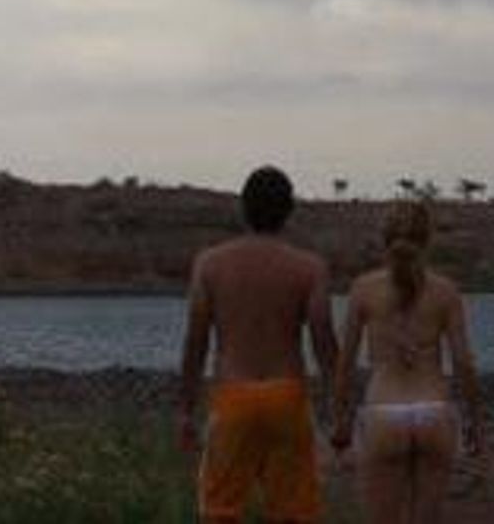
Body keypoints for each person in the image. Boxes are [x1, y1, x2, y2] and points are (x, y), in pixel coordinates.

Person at [179, 166, 339, 523]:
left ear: (243, 209)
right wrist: (339, 407)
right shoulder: (309, 268)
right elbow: (325, 343)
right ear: (289, 211)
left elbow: (195, 343)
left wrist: (186, 411)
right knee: (294, 512)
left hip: (233, 394)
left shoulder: (210, 264)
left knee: (220, 511)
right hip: (287, 395)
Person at [332, 200, 486, 524]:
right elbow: (463, 362)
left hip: (383, 413)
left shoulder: (363, 289)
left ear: (384, 240)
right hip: (434, 411)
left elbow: (344, 363)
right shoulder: (446, 292)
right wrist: (475, 421)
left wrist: (341, 420)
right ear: (428, 240)